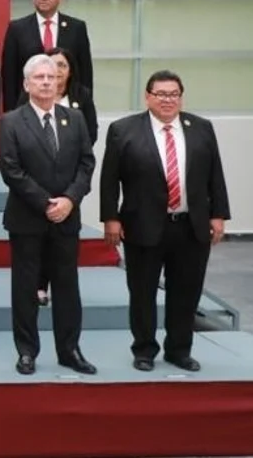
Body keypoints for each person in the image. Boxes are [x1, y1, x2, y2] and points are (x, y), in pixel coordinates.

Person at [99, 70, 230, 373]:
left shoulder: (201, 128)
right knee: (142, 291)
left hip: (191, 225)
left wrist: (219, 214)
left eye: (174, 94)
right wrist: (111, 219)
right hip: (142, 226)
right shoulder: (124, 130)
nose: (168, 100)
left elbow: (215, 175)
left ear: (181, 97)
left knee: (186, 291)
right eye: (161, 94)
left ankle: (179, 349)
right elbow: (110, 180)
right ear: (148, 97)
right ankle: (144, 349)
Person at [0, 54, 97, 376]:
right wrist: (45, 203)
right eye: (39, 77)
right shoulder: (12, 121)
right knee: (25, 289)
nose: (46, 82)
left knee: (68, 287)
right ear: (26, 84)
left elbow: (86, 164)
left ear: (59, 82)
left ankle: (69, 350)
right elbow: (11, 170)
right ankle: (26, 351)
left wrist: (69, 200)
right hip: (27, 219)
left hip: (67, 219)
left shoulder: (75, 119)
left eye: (51, 77)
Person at [1, 0, 94, 111]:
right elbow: (9, 75)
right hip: (28, 105)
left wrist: (85, 106)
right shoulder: (17, 28)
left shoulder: (77, 28)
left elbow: (85, 71)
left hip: (67, 104)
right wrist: (11, 112)